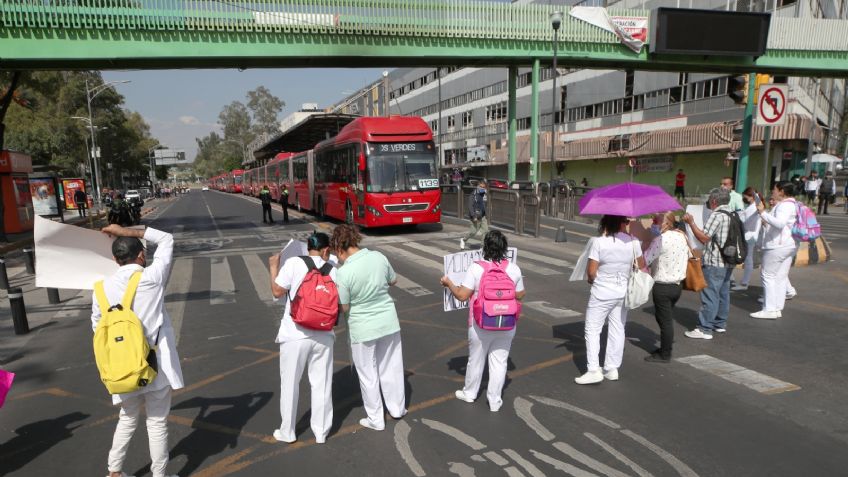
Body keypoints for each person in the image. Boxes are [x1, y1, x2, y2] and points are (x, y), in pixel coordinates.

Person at [91, 224, 182, 477]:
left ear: (114, 259)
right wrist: (127, 230)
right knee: (156, 423)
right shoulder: (151, 278)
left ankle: (114, 472)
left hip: (120, 367)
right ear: (141, 255)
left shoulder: (100, 289)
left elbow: (98, 328)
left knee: (127, 418)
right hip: (155, 363)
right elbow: (166, 239)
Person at [331, 224, 406, 431]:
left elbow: (344, 307)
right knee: (391, 367)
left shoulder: (344, 273)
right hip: (389, 321)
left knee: (368, 374)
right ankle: (397, 408)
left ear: (339, 248)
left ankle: (376, 419)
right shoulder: (378, 257)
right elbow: (393, 280)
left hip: (362, 328)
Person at [440, 230, 526, 411]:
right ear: (504, 248)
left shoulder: (476, 268)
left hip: (481, 323)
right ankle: (494, 401)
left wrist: (449, 284)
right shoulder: (514, 268)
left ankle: (470, 393)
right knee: (500, 362)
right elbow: (520, 294)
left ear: (485, 247)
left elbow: (462, 296)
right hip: (507, 322)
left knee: (476, 359)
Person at [268, 232, 336, 444]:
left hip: (295, 333)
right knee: (321, 383)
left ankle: (287, 431)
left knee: (290, 383)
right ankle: (321, 431)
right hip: (324, 333)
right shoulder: (333, 267)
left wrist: (273, 267)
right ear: (326, 250)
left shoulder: (293, 263)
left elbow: (277, 291)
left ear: (307, 248)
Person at [575, 215, 645, 384]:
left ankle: (593, 369)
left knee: (592, 329)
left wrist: (592, 280)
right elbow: (641, 264)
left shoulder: (599, 242)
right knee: (617, 328)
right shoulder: (633, 242)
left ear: (606, 223)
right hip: (622, 292)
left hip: (602, 292)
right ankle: (611, 368)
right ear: (622, 223)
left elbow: (591, 272)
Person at [683, 188, 735, 339]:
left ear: (713, 201)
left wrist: (691, 223)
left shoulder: (717, 215)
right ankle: (720, 324)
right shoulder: (734, 214)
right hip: (729, 260)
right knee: (723, 293)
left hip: (714, 261)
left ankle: (704, 328)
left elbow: (704, 238)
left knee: (710, 294)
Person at [642, 212, 690, 363]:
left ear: (666, 223)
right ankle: (664, 348)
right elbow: (688, 254)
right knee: (664, 317)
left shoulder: (660, 239)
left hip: (662, 286)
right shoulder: (682, 236)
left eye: (656, 221)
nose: (654, 224)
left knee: (665, 321)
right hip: (677, 286)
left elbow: (646, 259)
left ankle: (665, 354)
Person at [751, 181, 798, 319]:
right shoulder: (791, 204)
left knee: (768, 276)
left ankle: (770, 309)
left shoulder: (784, 205)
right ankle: (776, 308)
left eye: (775, 189)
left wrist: (762, 212)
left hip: (777, 246)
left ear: (782, 191)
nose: (772, 191)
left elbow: (780, 223)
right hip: (787, 244)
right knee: (780, 277)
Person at [732, 187, 763, 291]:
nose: (743, 198)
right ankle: (744, 282)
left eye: (745, 196)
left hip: (749, 235)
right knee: (747, 259)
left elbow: (747, 222)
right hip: (749, 235)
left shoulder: (754, 207)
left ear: (751, 196)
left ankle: (745, 283)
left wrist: (739, 217)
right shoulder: (752, 206)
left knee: (748, 259)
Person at [461, 179, 488, 250]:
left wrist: (485, 213)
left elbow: (485, 204)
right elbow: (470, 206)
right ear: (478, 186)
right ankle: (464, 240)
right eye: (481, 187)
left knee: (485, 230)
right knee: (473, 232)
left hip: (483, 216)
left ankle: (482, 246)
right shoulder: (473, 195)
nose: (482, 188)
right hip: (475, 216)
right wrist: (474, 216)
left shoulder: (484, 194)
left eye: (484, 187)